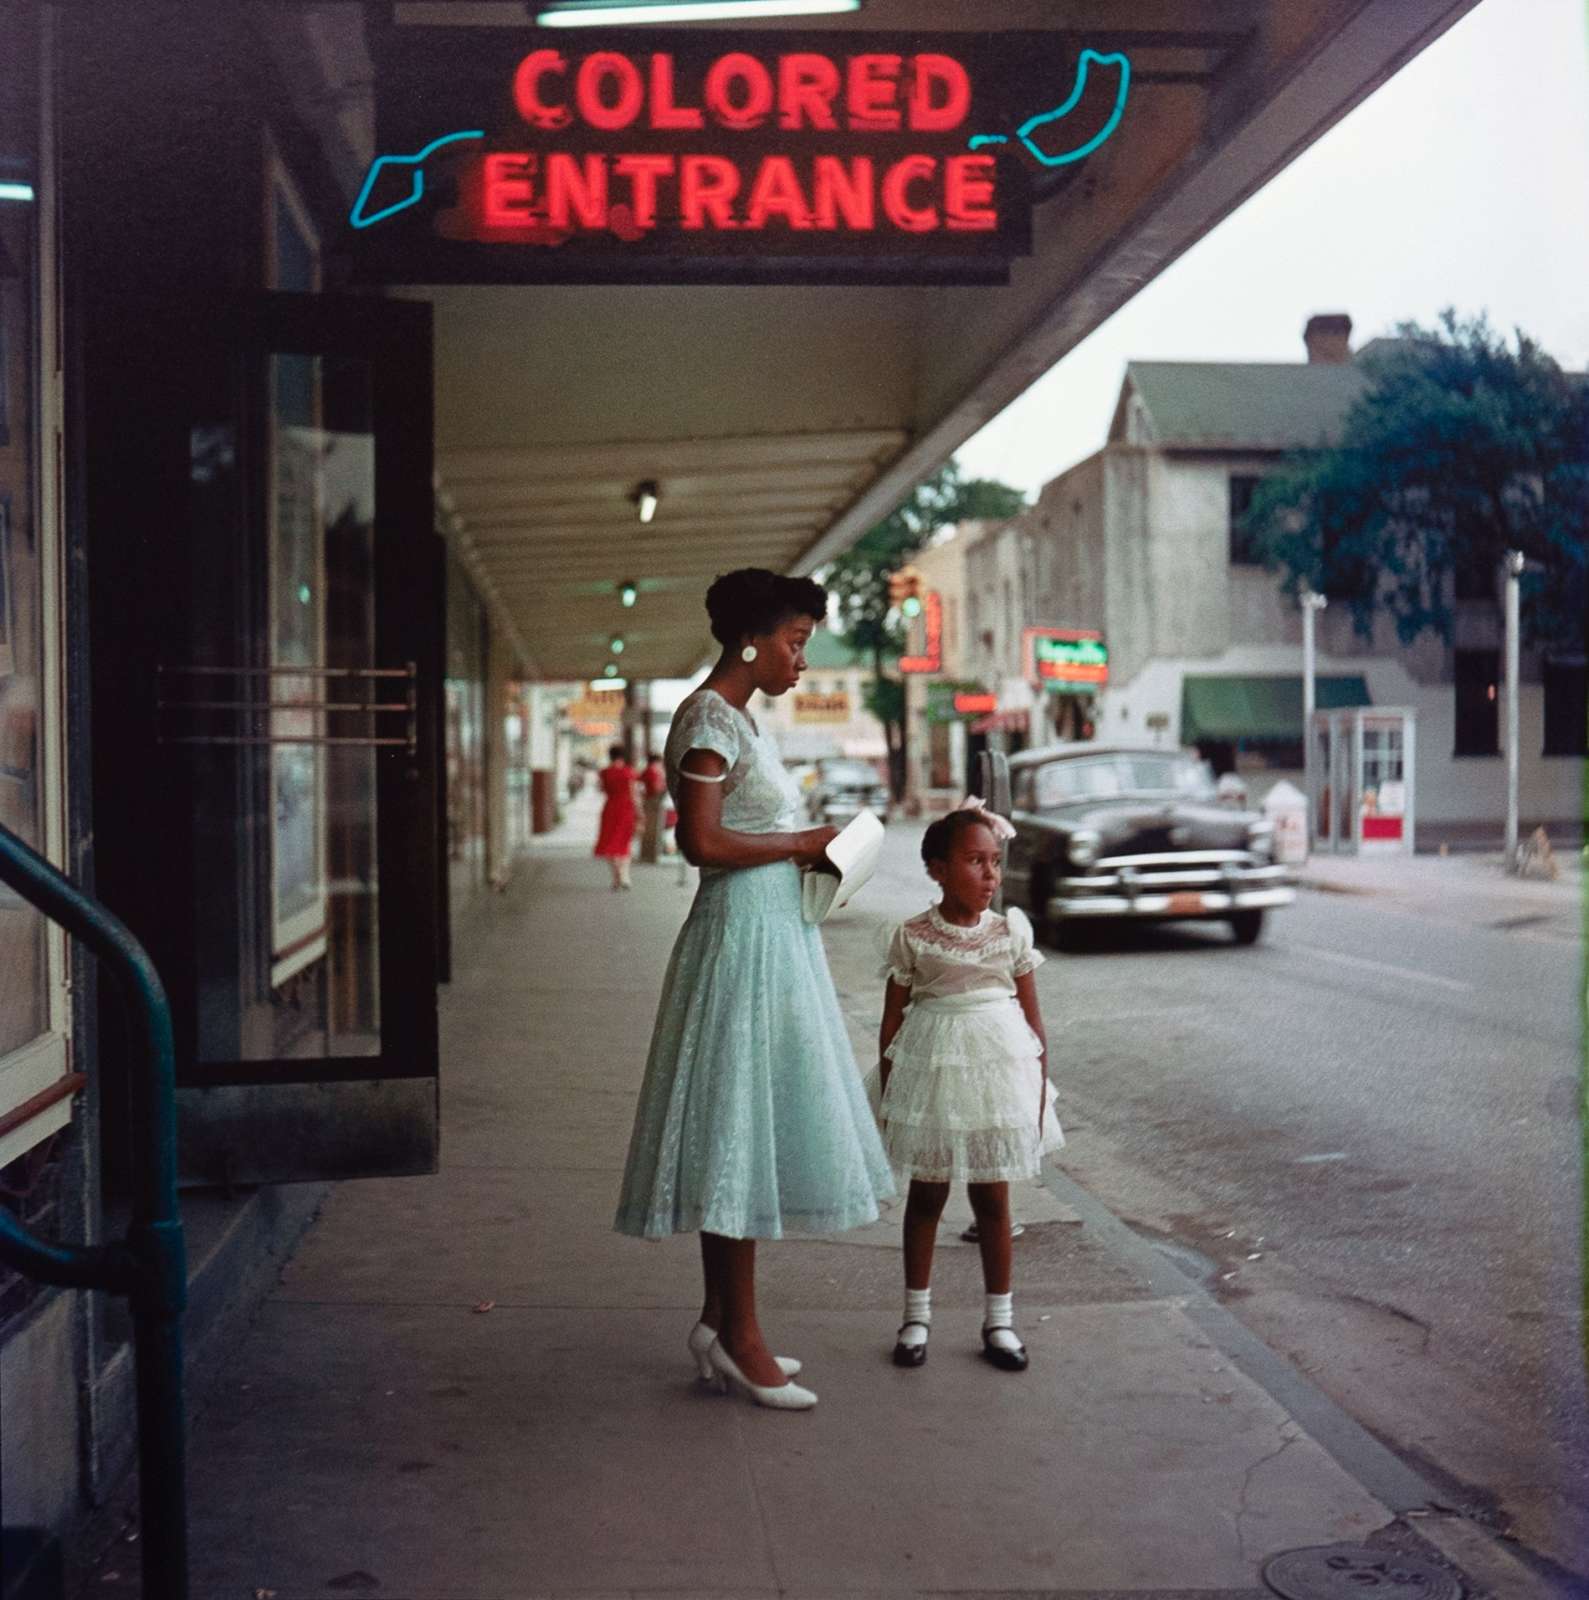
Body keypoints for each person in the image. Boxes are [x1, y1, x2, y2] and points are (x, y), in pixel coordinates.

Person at [614, 569, 895, 1411]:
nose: (801, 658)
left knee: (746, 1126)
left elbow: (740, 829)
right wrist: (804, 838)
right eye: (795, 640)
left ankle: (719, 1320)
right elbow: (699, 844)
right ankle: (740, 1336)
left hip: (773, 933)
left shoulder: (736, 721)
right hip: (740, 937)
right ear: (750, 639)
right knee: (734, 1128)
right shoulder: (707, 717)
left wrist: (812, 851)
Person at [871, 800, 1063, 1374]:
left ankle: (999, 1320)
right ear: (937, 868)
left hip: (997, 1075)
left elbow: (1033, 1023)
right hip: (932, 1072)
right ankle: (915, 1316)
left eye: (995, 862)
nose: (989, 875)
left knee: (993, 1198)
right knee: (927, 1195)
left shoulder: (1010, 934)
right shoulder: (912, 937)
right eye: (975, 862)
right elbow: (892, 1020)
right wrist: (890, 1093)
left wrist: (1036, 1089)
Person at [593, 743, 640, 890]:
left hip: (610, 809)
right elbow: (634, 794)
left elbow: (601, 789)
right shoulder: (629, 772)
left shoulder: (605, 772)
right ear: (623, 756)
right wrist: (639, 812)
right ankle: (625, 876)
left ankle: (616, 877)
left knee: (610, 844)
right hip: (627, 809)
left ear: (610, 756)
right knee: (624, 843)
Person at [638, 754, 668, 864]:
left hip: (649, 801)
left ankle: (647, 854)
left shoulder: (647, 771)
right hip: (654, 802)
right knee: (653, 829)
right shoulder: (653, 771)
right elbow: (656, 788)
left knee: (649, 829)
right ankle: (651, 855)